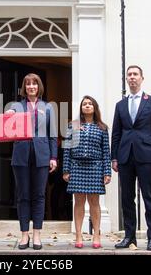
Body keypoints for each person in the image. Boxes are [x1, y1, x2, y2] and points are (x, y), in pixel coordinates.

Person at [111, 65, 151, 251]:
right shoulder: (120, 105)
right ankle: (129, 237)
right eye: (129, 75)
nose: (132, 77)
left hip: (147, 156)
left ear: (142, 78)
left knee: (149, 198)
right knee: (127, 198)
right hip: (125, 157)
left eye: (135, 74)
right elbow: (116, 133)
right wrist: (114, 157)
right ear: (126, 79)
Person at [6, 73, 58, 250]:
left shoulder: (48, 107)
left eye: (34, 84)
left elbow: (52, 135)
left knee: (39, 195)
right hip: (21, 156)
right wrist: (8, 115)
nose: (31, 87)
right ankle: (24, 235)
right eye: (28, 84)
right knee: (23, 196)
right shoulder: (16, 106)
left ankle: (36, 234)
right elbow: (7, 126)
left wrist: (53, 157)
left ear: (39, 86)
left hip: (42, 155)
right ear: (24, 87)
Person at [62, 95, 111, 249]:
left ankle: (96, 234)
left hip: (95, 168)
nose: (87, 106)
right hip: (77, 167)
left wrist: (107, 172)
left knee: (94, 202)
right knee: (79, 202)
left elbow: (106, 152)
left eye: (90, 104)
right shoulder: (72, 125)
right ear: (81, 108)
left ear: (95, 107)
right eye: (85, 104)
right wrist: (66, 169)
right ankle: (78, 235)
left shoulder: (102, 128)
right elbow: (66, 149)